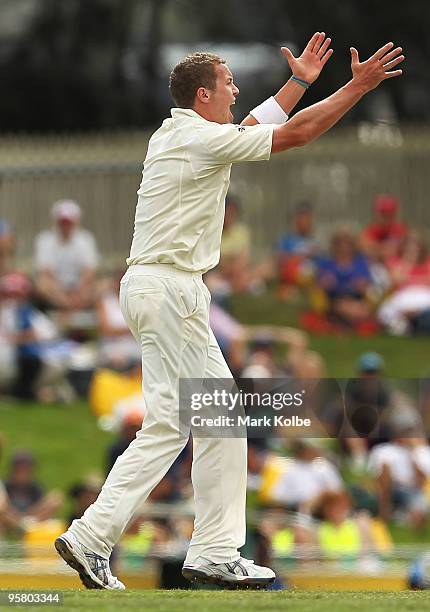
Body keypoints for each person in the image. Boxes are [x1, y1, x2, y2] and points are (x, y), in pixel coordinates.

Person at [55, 33, 404, 590]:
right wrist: (355, 87)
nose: (238, 90)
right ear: (202, 96)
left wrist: (299, 83)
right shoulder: (196, 137)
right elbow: (296, 133)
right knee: (195, 422)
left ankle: (107, 539)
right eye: (229, 83)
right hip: (170, 289)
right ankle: (196, 549)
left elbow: (249, 130)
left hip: (159, 287)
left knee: (194, 422)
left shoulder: (188, 134)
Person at [34, 200, 99, 311]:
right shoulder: (45, 239)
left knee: (102, 286)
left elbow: (89, 272)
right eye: (62, 222)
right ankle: (70, 306)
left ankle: (70, 307)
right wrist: (62, 295)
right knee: (43, 285)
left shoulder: (85, 239)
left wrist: (79, 291)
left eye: (68, 222)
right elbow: (46, 273)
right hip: (56, 288)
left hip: (79, 288)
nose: (65, 226)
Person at [360, 194, 408, 260]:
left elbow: (403, 249)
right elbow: (366, 249)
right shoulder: (370, 229)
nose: (387, 217)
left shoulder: (401, 229)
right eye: (383, 213)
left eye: (390, 213)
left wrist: (377, 248)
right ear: (377, 214)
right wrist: (386, 248)